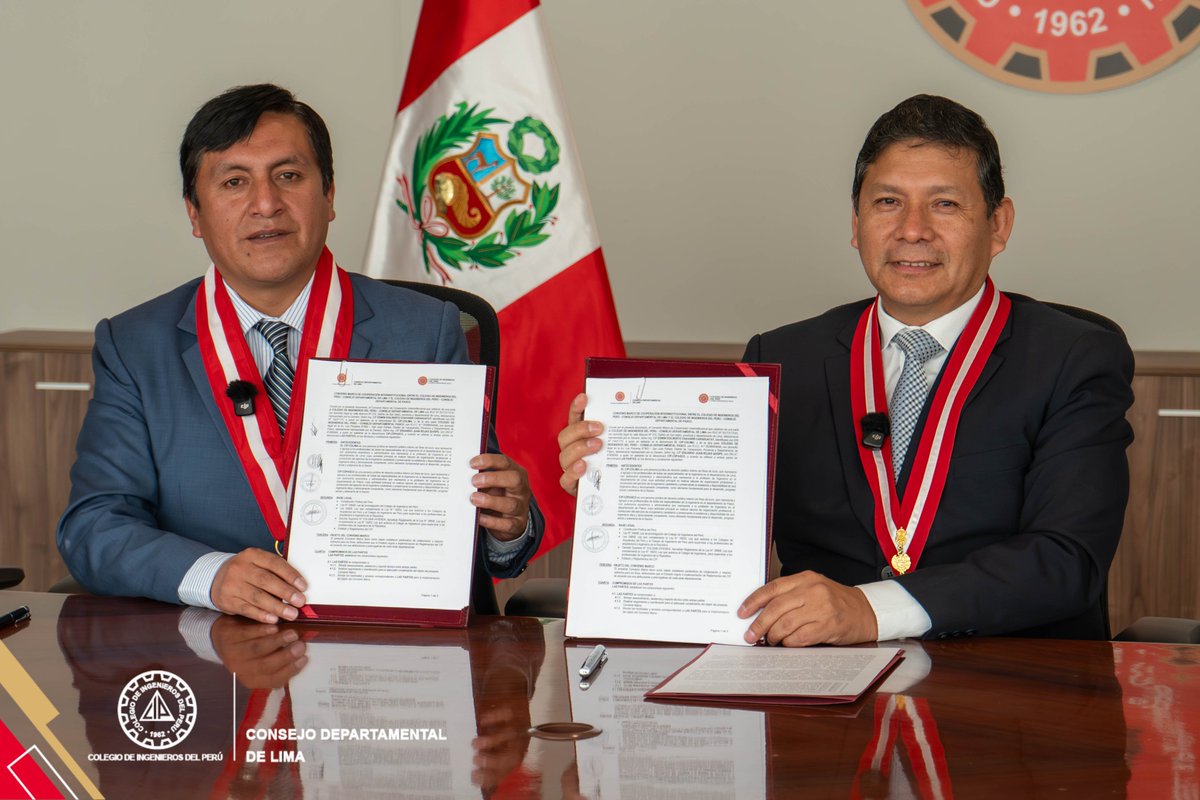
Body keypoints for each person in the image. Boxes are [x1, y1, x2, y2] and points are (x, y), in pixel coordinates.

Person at [558, 94, 1133, 646]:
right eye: (887, 202)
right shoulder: (783, 357)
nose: (912, 230)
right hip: (824, 686)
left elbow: (1066, 560)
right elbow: (709, 528)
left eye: (945, 204)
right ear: (856, 224)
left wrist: (870, 609)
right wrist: (627, 473)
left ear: (999, 225)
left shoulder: (1073, 358)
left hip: (1017, 693)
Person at [58, 84, 542, 623]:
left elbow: (486, 528)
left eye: (288, 176)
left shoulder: (426, 329)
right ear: (195, 214)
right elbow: (94, 526)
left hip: (394, 657)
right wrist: (210, 576)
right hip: (219, 659)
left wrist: (511, 524)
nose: (266, 204)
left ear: (329, 195)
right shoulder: (134, 346)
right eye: (234, 182)